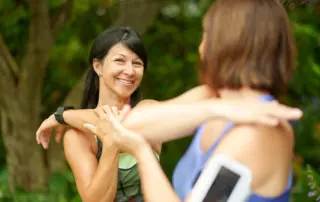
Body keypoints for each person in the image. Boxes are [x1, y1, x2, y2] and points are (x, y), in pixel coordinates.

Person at [36, 1, 302, 201]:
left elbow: (124, 130)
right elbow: (129, 124)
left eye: (207, 35)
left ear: (229, 43)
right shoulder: (210, 97)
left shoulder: (256, 134)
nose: (201, 46)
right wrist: (216, 108)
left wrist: (141, 152)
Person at [48, 26, 162, 202]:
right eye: (120, 61)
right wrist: (110, 146)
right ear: (98, 66)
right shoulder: (77, 137)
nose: (130, 71)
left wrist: (63, 116)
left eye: (137, 63)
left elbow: (121, 122)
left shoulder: (149, 109)